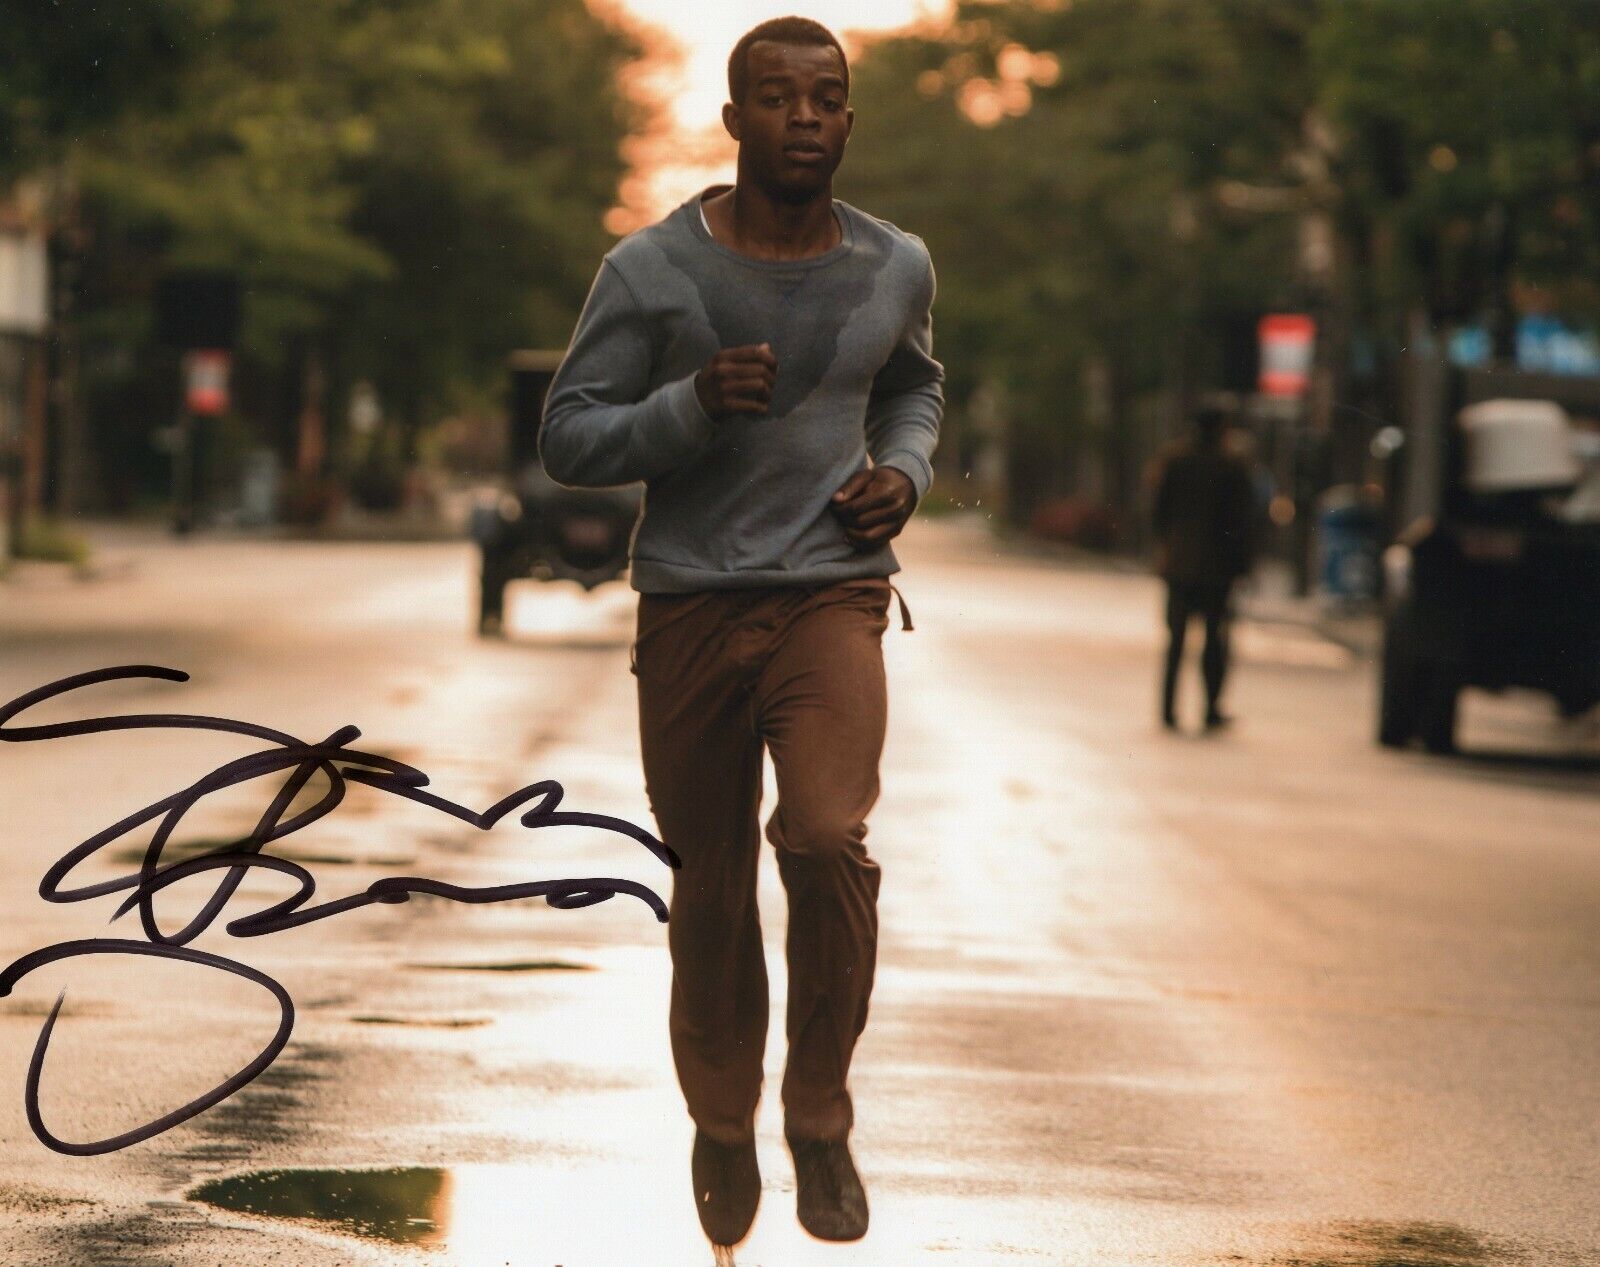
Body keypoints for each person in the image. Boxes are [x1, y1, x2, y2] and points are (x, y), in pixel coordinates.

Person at [538, 16, 942, 1250]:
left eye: (826, 99)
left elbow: (912, 383)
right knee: (710, 885)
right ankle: (722, 1118)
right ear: (733, 121)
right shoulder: (651, 271)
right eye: (778, 99)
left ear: (847, 120)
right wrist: (689, 404)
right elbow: (570, 436)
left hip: (832, 588)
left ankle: (817, 1110)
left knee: (824, 838)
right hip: (692, 603)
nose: (805, 118)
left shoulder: (895, 263)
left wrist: (906, 473)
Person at [1151, 404, 1258, 732]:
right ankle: (1210, 708)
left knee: (1176, 641)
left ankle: (1168, 710)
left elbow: (1158, 513)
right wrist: (1243, 566)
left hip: (1179, 565)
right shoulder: (1231, 467)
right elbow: (1242, 522)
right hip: (1216, 569)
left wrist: (1165, 549)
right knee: (1214, 640)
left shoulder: (1174, 463)